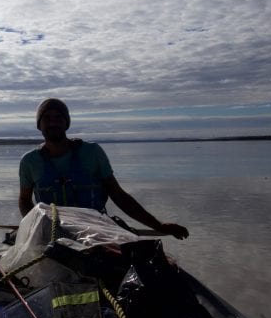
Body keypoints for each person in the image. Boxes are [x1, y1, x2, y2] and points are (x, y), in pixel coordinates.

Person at [18, 98, 189, 240]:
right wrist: (36, 226)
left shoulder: (92, 153)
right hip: (54, 236)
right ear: (39, 125)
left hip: (97, 232)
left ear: (66, 123)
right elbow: (25, 200)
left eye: (58, 118)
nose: (53, 122)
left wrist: (158, 225)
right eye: (47, 118)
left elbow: (118, 195)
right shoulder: (29, 161)